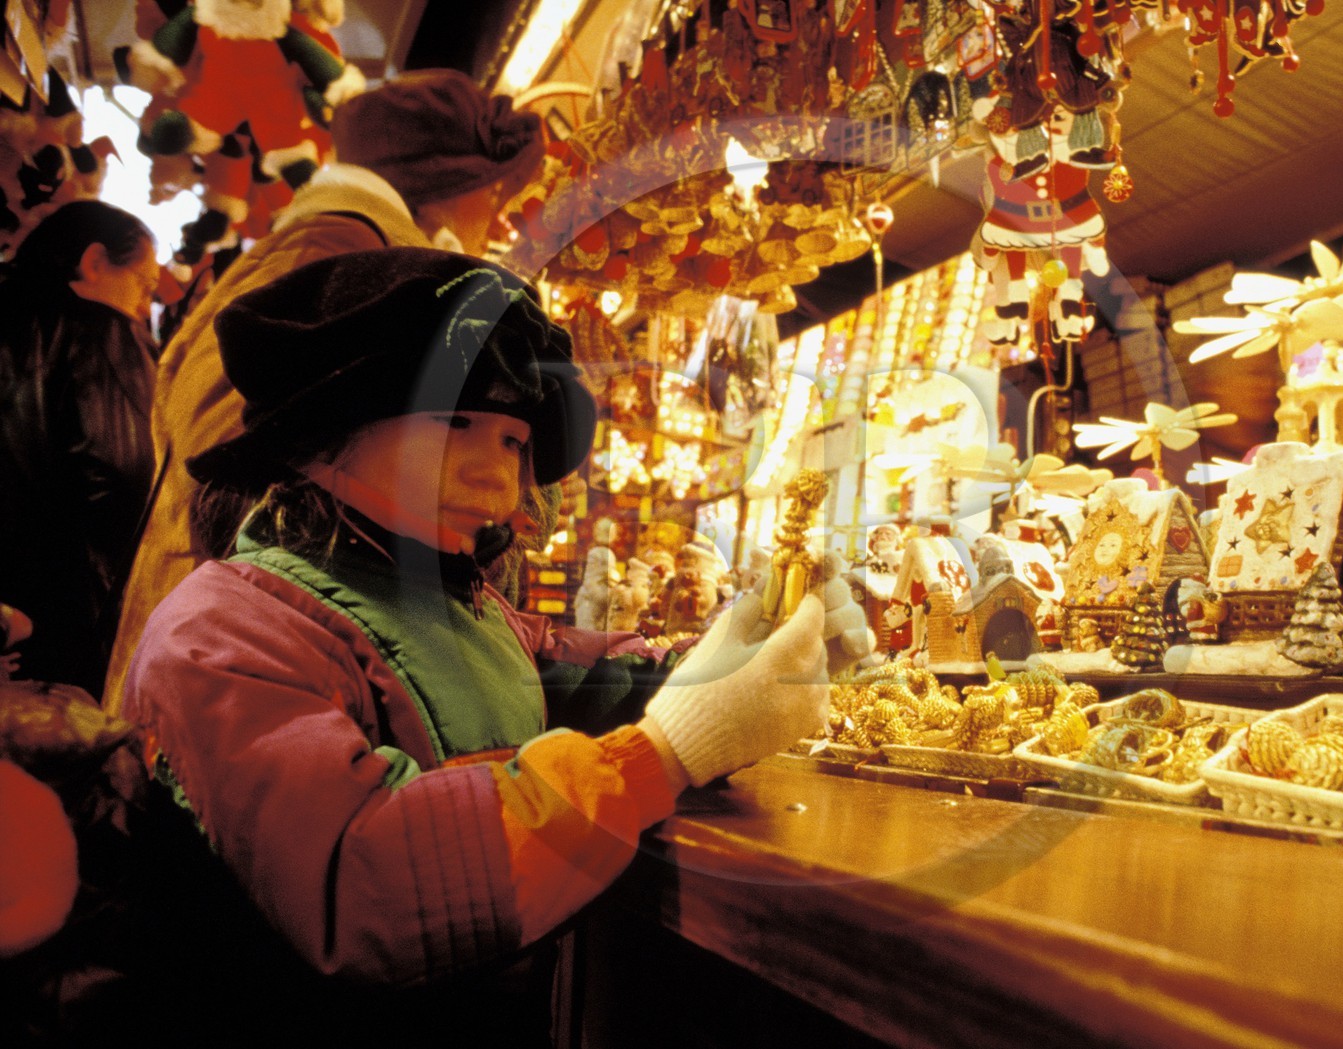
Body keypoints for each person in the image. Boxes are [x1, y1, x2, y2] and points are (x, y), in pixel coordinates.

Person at [120, 248, 856, 1042]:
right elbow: (369, 885)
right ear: (328, 427)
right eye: (455, 423)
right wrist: (663, 753)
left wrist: (736, 658)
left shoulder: (456, 602)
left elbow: (564, 678)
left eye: (513, 441)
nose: (497, 477)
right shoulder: (222, 630)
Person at [104, 67, 548, 713]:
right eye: (492, 192)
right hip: (238, 673)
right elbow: (231, 457)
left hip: (232, 652)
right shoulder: (338, 253)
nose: (498, 215)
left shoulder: (336, 244)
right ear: (442, 189)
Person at [0, 201, 160, 694]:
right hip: (61, 631)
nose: (142, 307)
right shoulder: (101, 335)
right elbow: (127, 478)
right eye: (143, 286)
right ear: (93, 262)